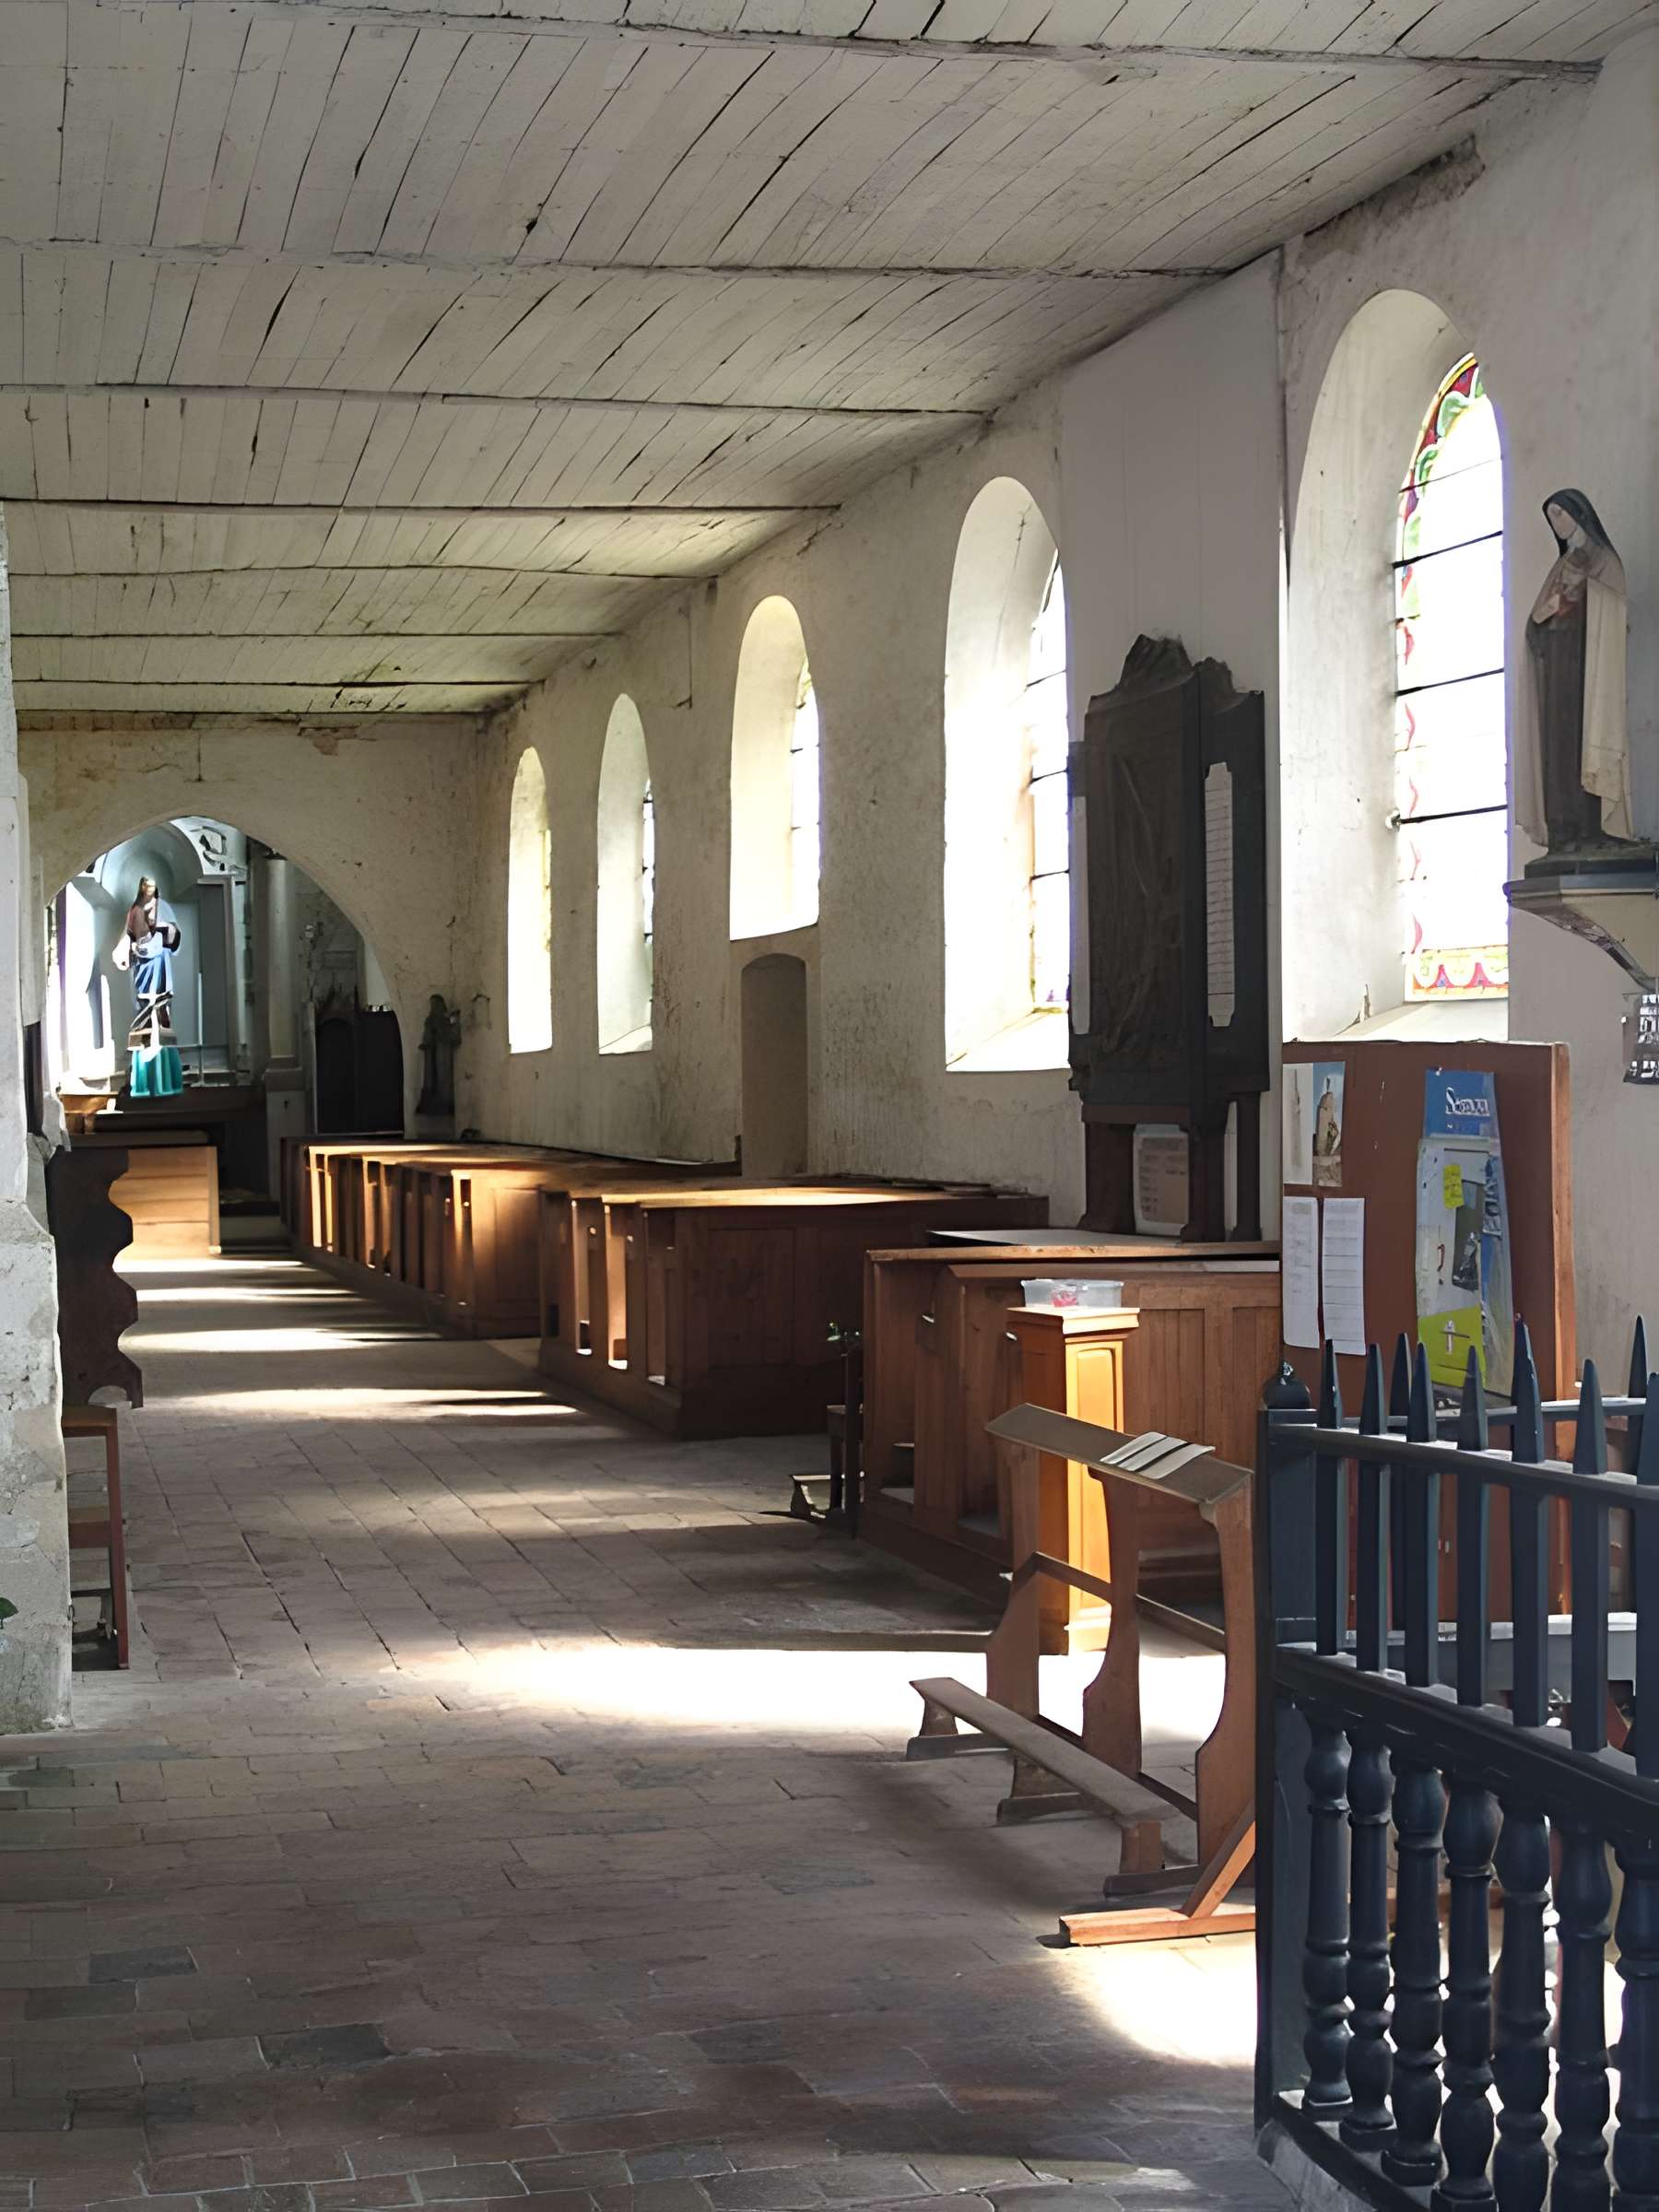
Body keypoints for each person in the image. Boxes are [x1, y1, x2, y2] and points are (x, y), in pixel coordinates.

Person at [1519, 489, 1632, 852]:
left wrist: (1578, 602)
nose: (1558, 523)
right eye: (1551, 517)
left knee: (1586, 743)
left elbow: (1615, 608)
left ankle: (1592, 828)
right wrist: (1540, 625)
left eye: (1561, 514)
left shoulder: (1603, 560)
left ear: (1579, 514)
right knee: (1560, 749)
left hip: (1589, 673)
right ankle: (1563, 829)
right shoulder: (1561, 565)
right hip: (1559, 675)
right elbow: (1537, 621)